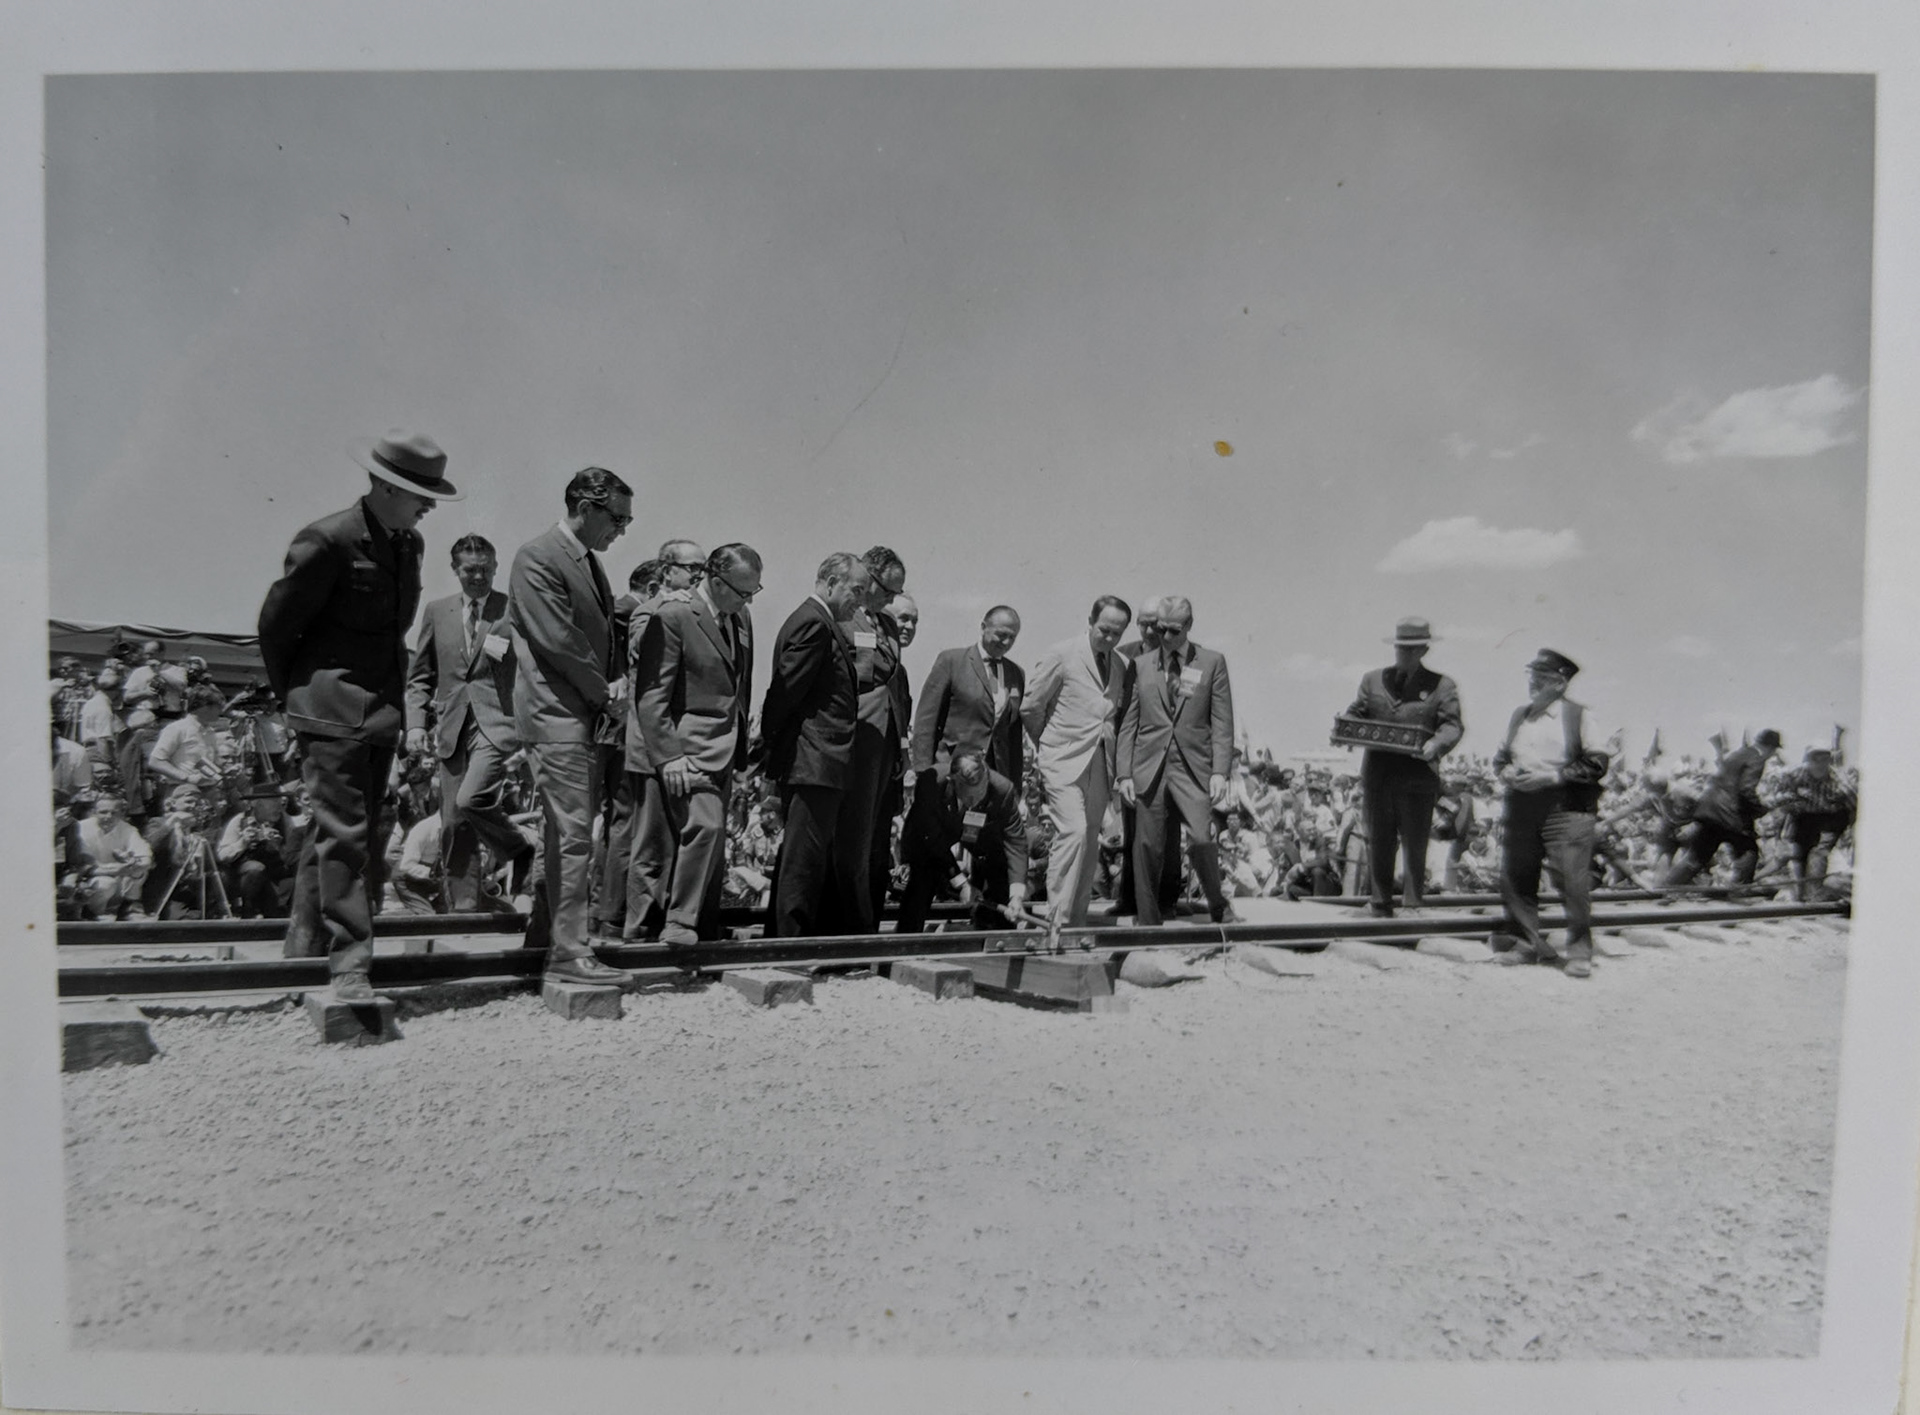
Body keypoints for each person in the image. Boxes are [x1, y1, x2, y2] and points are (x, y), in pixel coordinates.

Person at [257, 430, 453, 1000]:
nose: (429, 506)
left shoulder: (408, 544)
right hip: (329, 710)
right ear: (387, 486)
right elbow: (276, 628)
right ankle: (349, 966)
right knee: (348, 836)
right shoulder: (326, 540)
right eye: (421, 493)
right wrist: (299, 701)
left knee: (338, 834)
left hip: (378, 713)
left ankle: (301, 951)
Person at [507, 466, 636, 986]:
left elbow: (596, 637)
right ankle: (569, 953)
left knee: (566, 834)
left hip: (575, 715)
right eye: (618, 518)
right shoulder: (539, 557)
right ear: (586, 506)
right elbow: (559, 638)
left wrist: (616, 679)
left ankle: (551, 943)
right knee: (573, 836)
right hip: (557, 715)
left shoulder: (586, 561)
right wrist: (605, 691)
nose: (623, 529)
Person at [630, 542, 760, 944]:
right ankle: (677, 925)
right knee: (704, 826)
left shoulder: (740, 619)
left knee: (711, 845)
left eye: (754, 592)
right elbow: (652, 695)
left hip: (725, 749)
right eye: (742, 592)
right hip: (687, 751)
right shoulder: (673, 616)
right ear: (715, 580)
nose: (748, 600)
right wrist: (669, 757)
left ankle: (697, 932)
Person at [404, 533, 534, 912]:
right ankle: (465, 910)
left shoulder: (514, 611)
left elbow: (530, 671)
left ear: (496, 568)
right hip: (451, 725)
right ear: (455, 570)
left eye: (485, 570)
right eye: (469, 570)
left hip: (498, 724)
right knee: (453, 823)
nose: (478, 577)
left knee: (471, 799)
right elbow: (419, 676)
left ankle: (518, 846)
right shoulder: (436, 611)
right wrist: (415, 724)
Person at [759, 551, 872, 938]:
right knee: (802, 860)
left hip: (817, 760)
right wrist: (769, 750)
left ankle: (783, 937)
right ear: (829, 582)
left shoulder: (821, 623)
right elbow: (785, 693)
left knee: (803, 856)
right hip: (814, 761)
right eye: (856, 590)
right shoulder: (815, 624)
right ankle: (789, 944)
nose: (859, 600)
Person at [1114, 595, 1239, 926]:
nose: (1165, 637)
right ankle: (1148, 918)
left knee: (1201, 837)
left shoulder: (1211, 662)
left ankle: (1218, 905)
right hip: (1148, 768)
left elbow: (1223, 722)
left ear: (1189, 626)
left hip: (1193, 769)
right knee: (1146, 846)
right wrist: (1123, 773)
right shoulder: (1140, 665)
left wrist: (1220, 771)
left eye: (1173, 630)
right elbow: (1129, 723)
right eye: (1160, 629)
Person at [1490, 648, 1612, 979]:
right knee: (1516, 876)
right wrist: (1506, 773)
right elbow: (1500, 758)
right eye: (1531, 676)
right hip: (1522, 805)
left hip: (1566, 808)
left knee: (1571, 880)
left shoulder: (1578, 716)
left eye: (1541, 678)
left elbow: (1597, 763)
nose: (1533, 683)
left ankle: (1579, 952)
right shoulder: (1520, 715)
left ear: (1559, 684)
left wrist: (1553, 777)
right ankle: (1525, 944)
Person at [1023, 595, 1134, 930]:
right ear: (1089, 620)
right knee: (1071, 833)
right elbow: (1031, 707)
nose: (1110, 639)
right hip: (1062, 760)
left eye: (1118, 633)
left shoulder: (1120, 665)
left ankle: (1074, 921)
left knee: (1087, 842)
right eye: (1104, 630)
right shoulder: (1061, 654)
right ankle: (1055, 920)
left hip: (1100, 763)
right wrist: (1050, 745)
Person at [1345, 617, 1464, 915]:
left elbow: (1452, 727)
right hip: (1378, 775)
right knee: (1379, 840)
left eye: (1411, 649)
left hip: (1418, 776)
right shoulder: (1373, 680)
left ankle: (1413, 905)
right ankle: (1380, 902)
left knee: (1414, 842)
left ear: (1423, 650)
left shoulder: (1442, 685)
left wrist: (1436, 745)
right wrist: (1349, 727)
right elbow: (1355, 712)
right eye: (1401, 648)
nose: (1404, 654)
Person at [827, 546, 911, 934]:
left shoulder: (887, 626)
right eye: (888, 591)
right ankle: (845, 926)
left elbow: (889, 678)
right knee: (850, 840)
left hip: (885, 744)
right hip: (856, 740)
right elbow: (862, 677)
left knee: (871, 842)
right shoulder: (846, 619)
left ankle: (860, 924)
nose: (893, 600)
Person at [619, 543, 702, 937]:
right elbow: (642, 654)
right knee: (650, 848)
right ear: (667, 571)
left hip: (675, 746)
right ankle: (638, 932)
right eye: (692, 568)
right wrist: (669, 608)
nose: (700, 575)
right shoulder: (649, 611)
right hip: (651, 748)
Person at [896, 745, 1029, 932]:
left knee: (999, 869)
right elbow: (932, 840)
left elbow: (1016, 843)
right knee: (924, 875)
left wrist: (1016, 896)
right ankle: (906, 939)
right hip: (933, 841)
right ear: (953, 783)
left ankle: (997, 932)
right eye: (969, 797)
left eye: (980, 795)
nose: (974, 803)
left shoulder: (1002, 790)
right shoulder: (932, 783)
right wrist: (961, 883)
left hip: (981, 840)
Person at [910, 605, 1028, 796]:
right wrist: (923, 773)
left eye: (1012, 637)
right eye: (1001, 634)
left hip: (995, 777)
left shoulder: (1017, 674)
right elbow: (926, 721)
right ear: (983, 627)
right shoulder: (951, 661)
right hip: (951, 771)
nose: (1006, 642)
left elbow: (1014, 735)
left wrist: (1015, 786)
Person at [1664, 729, 1784, 890]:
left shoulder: (1737, 754)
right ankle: (1740, 891)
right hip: (1730, 815)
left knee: (1697, 856)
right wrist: (1760, 809)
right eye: (1774, 750)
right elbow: (1746, 791)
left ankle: (1667, 888)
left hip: (1709, 811)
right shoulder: (1757, 758)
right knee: (1748, 851)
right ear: (1770, 747)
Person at [1774, 745, 1855, 901]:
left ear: (1829, 761)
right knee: (1799, 854)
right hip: (1805, 817)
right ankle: (1799, 893)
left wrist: (1851, 829)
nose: (1819, 764)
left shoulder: (1839, 781)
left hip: (1832, 818)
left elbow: (1854, 805)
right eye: (1815, 759)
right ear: (1807, 760)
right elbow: (1777, 797)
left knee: (1819, 853)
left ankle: (1814, 893)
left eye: (1824, 760)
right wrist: (1791, 800)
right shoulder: (1794, 775)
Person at [72, 793, 152, 920]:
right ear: (94, 812)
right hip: (89, 880)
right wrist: (112, 869)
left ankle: (129, 908)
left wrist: (133, 863)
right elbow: (82, 865)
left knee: (140, 871)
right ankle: (93, 914)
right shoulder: (81, 828)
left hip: (119, 879)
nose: (108, 817)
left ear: (121, 813)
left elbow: (146, 857)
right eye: (103, 812)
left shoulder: (128, 829)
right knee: (106, 883)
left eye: (114, 813)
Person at [146, 681, 230, 796]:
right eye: (218, 707)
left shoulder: (210, 732)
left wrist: (227, 769)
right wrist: (187, 777)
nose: (221, 711)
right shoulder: (177, 729)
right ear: (204, 707)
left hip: (208, 791)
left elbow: (212, 762)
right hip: (181, 792)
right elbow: (155, 761)